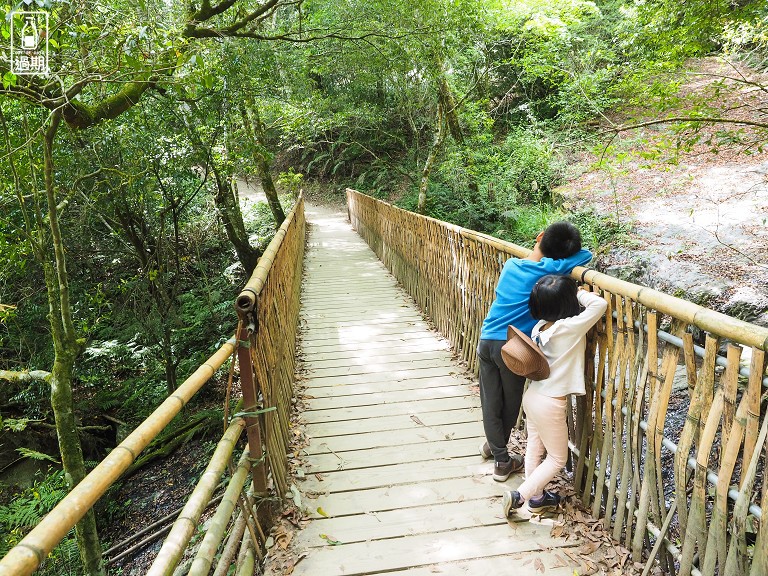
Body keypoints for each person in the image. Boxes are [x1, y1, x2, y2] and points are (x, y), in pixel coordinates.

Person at [478, 222, 592, 482]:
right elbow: (585, 256)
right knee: (510, 404)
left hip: (486, 338)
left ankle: (493, 447)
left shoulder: (510, 266)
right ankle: (502, 461)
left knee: (490, 399)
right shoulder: (549, 271)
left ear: (540, 237)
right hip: (513, 346)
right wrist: (560, 259)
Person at [502, 275, 607, 514]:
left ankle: (537, 498)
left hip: (534, 396)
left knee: (535, 447)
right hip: (550, 404)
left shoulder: (540, 326)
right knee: (557, 458)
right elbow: (600, 305)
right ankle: (521, 496)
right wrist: (579, 292)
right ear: (567, 303)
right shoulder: (568, 328)